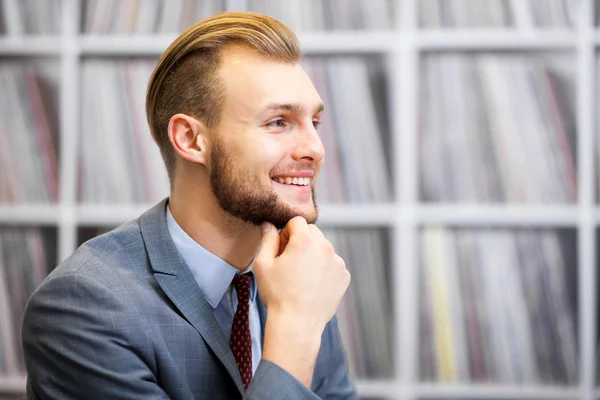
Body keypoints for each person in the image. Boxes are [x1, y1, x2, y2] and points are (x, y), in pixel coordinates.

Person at [21, 11, 356, 400]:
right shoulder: (83, 307)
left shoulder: (300, 274)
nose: (315, 149)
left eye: (314, 122)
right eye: (279, 122)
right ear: (191, 140)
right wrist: (294, 326)